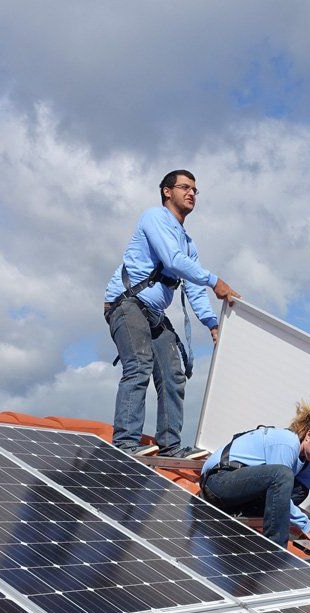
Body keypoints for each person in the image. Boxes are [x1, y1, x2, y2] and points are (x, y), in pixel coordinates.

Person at [104, 169, 239, 457]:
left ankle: (170, 446)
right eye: (185, 187)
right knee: (139, 365)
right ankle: (126, 443)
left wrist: (212, 324)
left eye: (194, 190)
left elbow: (193, 287)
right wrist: (216, 281)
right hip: (127, 304)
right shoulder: (154, 217)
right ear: (167, 191)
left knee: (173, 374)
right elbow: (172, 260)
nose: (191, 194)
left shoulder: (188, 243)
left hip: (153, 312)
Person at [200, 402, 310, 550]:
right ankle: (275, 549)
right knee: (283, 476)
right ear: (309, 435)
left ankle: (240, 512)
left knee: (300, 490)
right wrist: (305, 524)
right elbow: (279, 484)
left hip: (236, 491)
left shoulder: (309, 462)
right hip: (217, 483)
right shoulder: (287, 444)